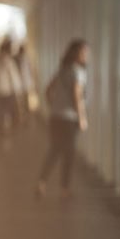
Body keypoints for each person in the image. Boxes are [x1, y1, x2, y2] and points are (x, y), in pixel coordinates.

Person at [36, 39, 89, 199]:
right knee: (69, 153)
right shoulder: (78, 71)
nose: (87, 56)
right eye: (85, 52)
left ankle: (42, 182)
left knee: (54, 150)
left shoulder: (62, 70)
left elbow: (47, 90)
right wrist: (82, 117)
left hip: (55, 116)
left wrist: (54, 105)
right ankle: (64, 188)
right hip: (69, 118)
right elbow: (77, 95)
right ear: (77, 53)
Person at [0, 37, 23, 141]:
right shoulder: (8, 62)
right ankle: (11, 135)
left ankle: (1, 135)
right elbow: (14, 79)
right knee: (13, 114)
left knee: (0, 115)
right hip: (8, 93)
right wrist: (18, 93)